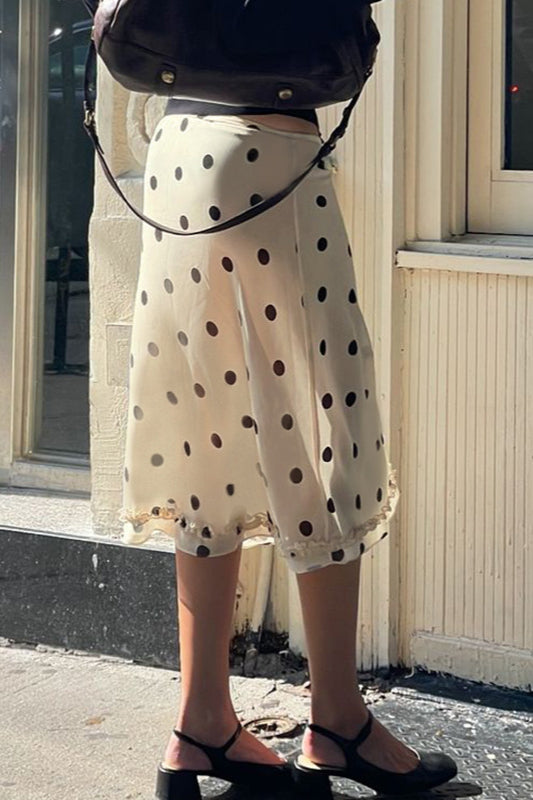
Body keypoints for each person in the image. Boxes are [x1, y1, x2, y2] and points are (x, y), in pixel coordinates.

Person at [118, 88, 457, 797]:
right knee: (323, 425)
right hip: (266, 152)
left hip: (175, 158)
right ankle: (337, 722)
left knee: (202, 440)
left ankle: (200, 724)